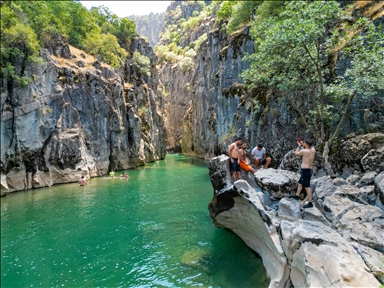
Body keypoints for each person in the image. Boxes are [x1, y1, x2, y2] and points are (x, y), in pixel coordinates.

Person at [289, 139, 316, 208]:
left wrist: (298, 146)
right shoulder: (313, 150)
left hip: (305, 171)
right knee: (300, 183)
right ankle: (297, 195)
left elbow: (296, 153)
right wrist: (302, 145)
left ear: (306, 144)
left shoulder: (304, 151)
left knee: (307, 187)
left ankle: (310, 202)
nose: (303, 143)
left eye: (304, 143)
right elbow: (309, 148)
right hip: (309, 170)